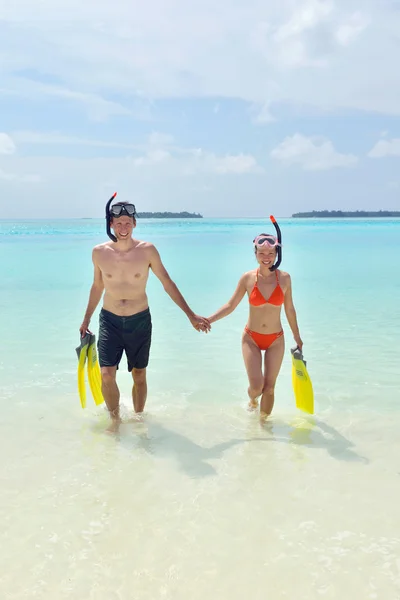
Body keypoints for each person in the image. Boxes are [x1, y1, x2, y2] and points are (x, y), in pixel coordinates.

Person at [79, 194, 210, 423]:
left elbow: (167, 283)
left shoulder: (147, 250)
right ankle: (115, 421)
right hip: (109, 319)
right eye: (118, 223)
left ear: (134, 224)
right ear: (111, 224)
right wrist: (86, 320)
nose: (123, 227)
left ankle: (139, 421)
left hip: (139, 320)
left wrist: (190, 315)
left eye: (128, 223)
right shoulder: (99, 252)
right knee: (107, 375)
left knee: (139, 374)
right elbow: (97, 286)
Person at [207, 217, 303, 420]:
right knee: (257, 387)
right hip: (251, 338)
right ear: (256, 254)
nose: (266, 257)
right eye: (262, 253)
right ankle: (251, 399)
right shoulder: (248, 278)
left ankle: (263, 430)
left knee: (269, 388)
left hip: (276, 339)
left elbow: (290, 309)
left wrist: (297, 336)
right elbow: (230, 305)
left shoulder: (285, 279)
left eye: (270, 253)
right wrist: (209, 319)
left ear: (277, 253)